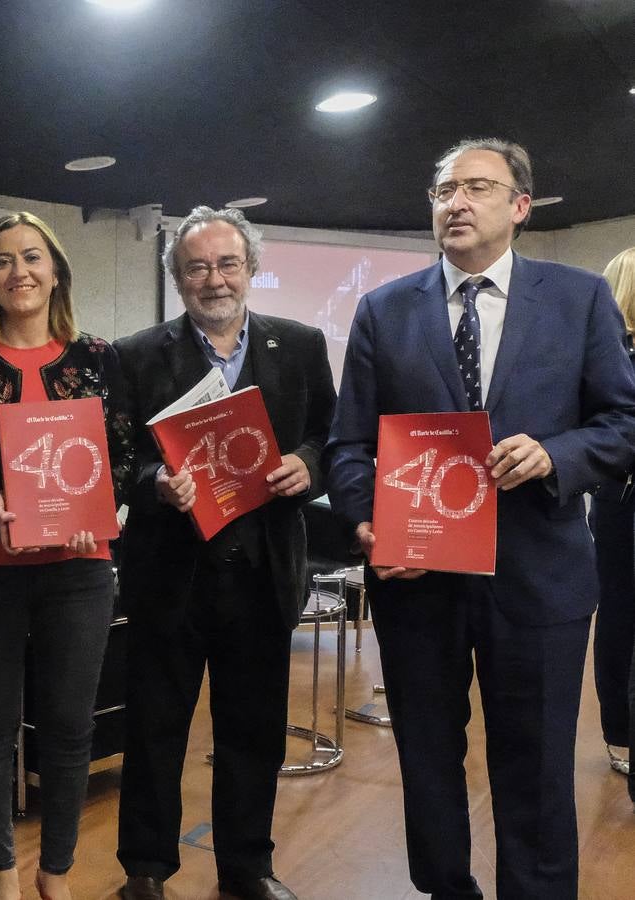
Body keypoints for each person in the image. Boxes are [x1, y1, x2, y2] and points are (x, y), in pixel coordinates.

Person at [325, 138, 635, 899]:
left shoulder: (578, 298)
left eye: (476, 188)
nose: (455, 203)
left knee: (534, 765)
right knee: (428, 759)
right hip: (417, 580)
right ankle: (445, 889)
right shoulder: (382, 310)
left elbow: (624, 423)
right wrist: (370, 524)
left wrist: (556, 456)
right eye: (442, 191)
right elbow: (350, 446)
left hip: (539, 579)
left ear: (520, 207)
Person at [112, 207, 335, 900]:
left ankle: (247, 866)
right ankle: (145, 869)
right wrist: (156, 484)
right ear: (177, 277)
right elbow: (117, 461)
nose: (214, 279)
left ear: (251, 268)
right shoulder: (133, 354)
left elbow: (332, 435)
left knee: (254, 728)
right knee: (154, 728)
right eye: (198, 267)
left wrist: (308, 464)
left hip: (263, 572)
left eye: (227, 264)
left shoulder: (299, 345)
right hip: (168, 574)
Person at [0, 211, 134, 900]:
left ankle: (57, 872)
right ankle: (2, 874)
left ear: (56, 271)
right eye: (3, 260)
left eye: (32, 257)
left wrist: (97, 514)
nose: (19, 272)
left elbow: (124, 460)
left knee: (70, 727)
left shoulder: (100, 358)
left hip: (78, 569)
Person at [591, 246, 635, 781]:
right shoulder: (612, 354)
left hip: (613, 500)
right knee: (621, 613)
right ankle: (621, 733)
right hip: (621, 501)